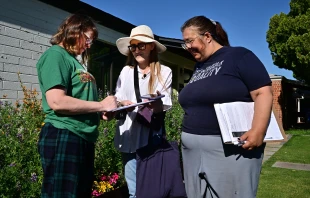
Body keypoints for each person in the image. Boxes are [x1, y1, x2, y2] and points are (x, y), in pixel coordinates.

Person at [178, 16, 273, 198]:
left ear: (207, 36)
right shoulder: (199, 67)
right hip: (192, 152)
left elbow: (263, 92)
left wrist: (258, 130)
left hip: (228, 150)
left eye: (190, 41)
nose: (187, 47)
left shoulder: (238, 56)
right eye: (185, 43)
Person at [36, 13, 117, 197]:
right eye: (88, 39)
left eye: (92, 41)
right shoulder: (56, 55)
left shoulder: (74, 61)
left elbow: (80, 101)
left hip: (81, 137)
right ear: (73, 31)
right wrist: (100, 105)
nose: (89, 45)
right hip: (64, 134)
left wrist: (101, 112)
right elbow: (57, 101)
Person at [114, 25, 172, 198]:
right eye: (133, 46)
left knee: (153, 190)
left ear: (151, 46)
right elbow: (117, 98)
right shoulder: (126, 71)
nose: (137, 50)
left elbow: (165, 105)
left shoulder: (164, 72)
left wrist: (154, 103)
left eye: (141, 45)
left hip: (150, 137)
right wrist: (122, 103)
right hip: (129, 136)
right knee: (134, 191)